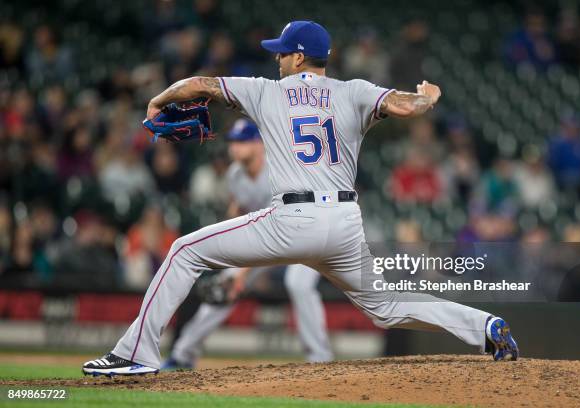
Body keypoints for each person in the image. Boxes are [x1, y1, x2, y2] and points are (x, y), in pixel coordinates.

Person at [83, 20, 518, 376]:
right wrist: (426, 97)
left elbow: (200, 84)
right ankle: (483, 326)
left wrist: (159, 99)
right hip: (345, 222)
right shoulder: (354, 91)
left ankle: (135, 353)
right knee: (385, 305)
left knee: (183, 251)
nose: (277, 58)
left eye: (281, 51)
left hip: (292, 219)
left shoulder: (266, 91)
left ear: (297, 56)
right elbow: (407, 107)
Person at [162, 119, 333, 369]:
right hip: (269, 239)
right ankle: (183, 355)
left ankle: (321, 360)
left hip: (306, 233)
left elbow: (277, 229)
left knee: (298, 284)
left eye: (242, 141)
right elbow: (240, 211)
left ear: (259, 144)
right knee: (225, 287)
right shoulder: (235, 175)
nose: (235, 147)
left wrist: (242, 274)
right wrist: (234, 267)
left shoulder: (279, 172)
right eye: (233, 142)